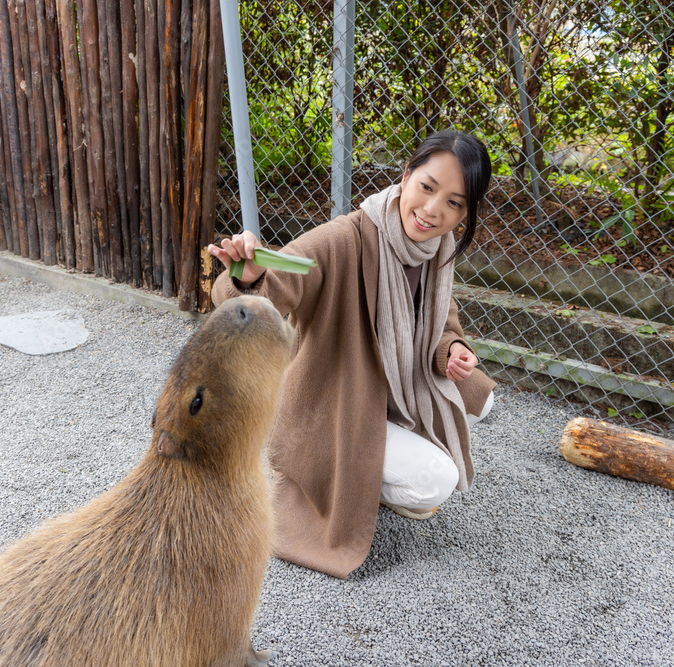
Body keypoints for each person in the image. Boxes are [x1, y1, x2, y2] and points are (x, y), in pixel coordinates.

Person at [207, 129, 497, 579]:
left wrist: (451, 349)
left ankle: (379, 457)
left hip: (385, 388)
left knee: (480, 398)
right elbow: (274, 288)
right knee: (435, 481)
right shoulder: (344, 239)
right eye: (427, 187)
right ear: (406, 176)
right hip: (334, 402)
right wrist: (246, 278)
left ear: (466, 211)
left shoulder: (435, 249)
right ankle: (358, 478)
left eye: (455, 202)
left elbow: (441, 319)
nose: (434, 209)